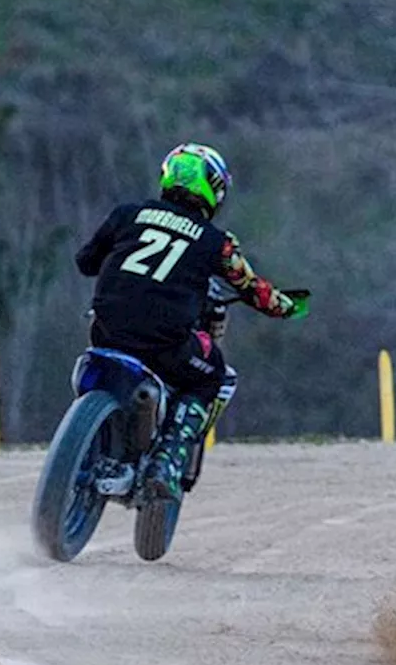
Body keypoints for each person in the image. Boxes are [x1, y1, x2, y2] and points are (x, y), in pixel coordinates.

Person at [76, 143, 308, 504]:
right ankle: (166, 462)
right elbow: (253, 290)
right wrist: (288, 307)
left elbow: (85, 262)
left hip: (106, 329)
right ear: (212, 188)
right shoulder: (217, 243)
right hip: (164, 343)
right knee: (211, 374)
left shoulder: (127, 215)